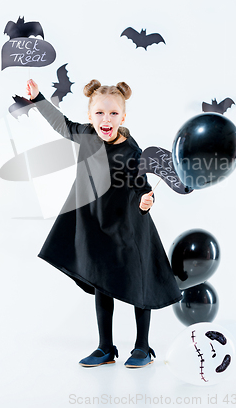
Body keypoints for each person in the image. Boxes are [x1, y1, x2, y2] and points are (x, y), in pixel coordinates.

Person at [26, 78, 182, 368]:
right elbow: (61, 124)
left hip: (129, 226)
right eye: (99, 113)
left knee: (139, 284)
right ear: (90, 116)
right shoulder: (86, 135)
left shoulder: (131, 151)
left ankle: (142, 347)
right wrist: (38, 99)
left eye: (112, 114)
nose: (105, 119)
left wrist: (146, 201)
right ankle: (105, 347)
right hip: (97, 224)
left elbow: (142, 187)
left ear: (123, 117)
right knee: (102, 282)